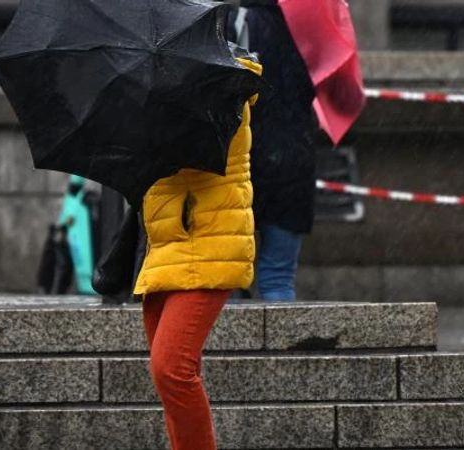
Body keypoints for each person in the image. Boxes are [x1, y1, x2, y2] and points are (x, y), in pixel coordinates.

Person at [132, 57, 262, 449]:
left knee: (171, 369)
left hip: (209, 239)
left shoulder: (223, 82)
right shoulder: (153, 82)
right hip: (167, 242)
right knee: (171, 378)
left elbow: (197, 150)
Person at [231, 0, 318, 302]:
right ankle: (280, 347)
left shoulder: (234, 23)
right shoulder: (310, 29)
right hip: (293, 159)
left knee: (226, 278)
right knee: (278, 278)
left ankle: (225, 347)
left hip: (239, 161)